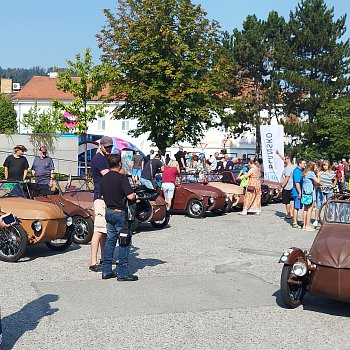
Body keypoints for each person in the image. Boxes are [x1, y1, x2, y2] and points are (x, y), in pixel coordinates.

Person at [100, 154, 137, 281]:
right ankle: (122, 273)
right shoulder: (121, 178)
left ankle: (106, 270)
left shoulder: (104, 178)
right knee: (124, 242)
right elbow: (131, 196)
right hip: (120, 212)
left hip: (108, 211)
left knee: (110, 241)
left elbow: (102, 196)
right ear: (119, 164)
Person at [89, 136, 113, 272]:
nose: (109, 149)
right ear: (101, 146)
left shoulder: (105, 158)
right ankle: (93, 262)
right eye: (107, 147)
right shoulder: (98, 159)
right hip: (100, 197)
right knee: (98, 230)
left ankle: (104, 258)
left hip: (105, 197)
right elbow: (108, 175)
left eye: (111, 146)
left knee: (104, 231)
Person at [313, 160, 336, 227]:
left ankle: (329, 219)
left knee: (330, 204)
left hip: (329, 190)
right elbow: (317, 181)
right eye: (323, 165)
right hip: (321, 190)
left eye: (326, 165)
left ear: (328, 165)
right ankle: (316, 220)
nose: (325, 166)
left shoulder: (331, 172)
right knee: (318, 205)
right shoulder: (320, 173)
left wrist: (333, 185)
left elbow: (335, 179)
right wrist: (318, 177)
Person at [301, 161, 322, 231]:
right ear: (312, 167)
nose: (316, 167)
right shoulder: (311, 173)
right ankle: (308, 226)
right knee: (310, 209)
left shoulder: (304, 173)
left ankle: (304, 225)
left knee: (305, 209)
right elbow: (318, 181)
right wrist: (318, 175)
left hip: (305, 192)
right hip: (311, 193)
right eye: (315, 166)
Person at [276, 150, 295, 219]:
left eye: (286, 158)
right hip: (291, 185)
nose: (284, 159)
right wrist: (278, 154)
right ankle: (291, 213)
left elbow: (287, 178)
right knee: (289, 201)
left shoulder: (288, 168)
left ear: (289, 159)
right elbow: (283, 159)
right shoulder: (293, 166)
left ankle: (289, 214)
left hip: (287, 186)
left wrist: (282, 186)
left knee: (287, 201)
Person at [291, 159, 307, 228]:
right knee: (296, 207)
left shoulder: (301, 171)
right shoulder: (297, 171)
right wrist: (299, 192)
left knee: (299, 206)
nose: (305, 165)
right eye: (304, 163)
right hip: (297, 192)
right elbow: (297, 183)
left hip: (300, 191)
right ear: (299, 164)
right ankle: (294, 222)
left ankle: (297, 221)